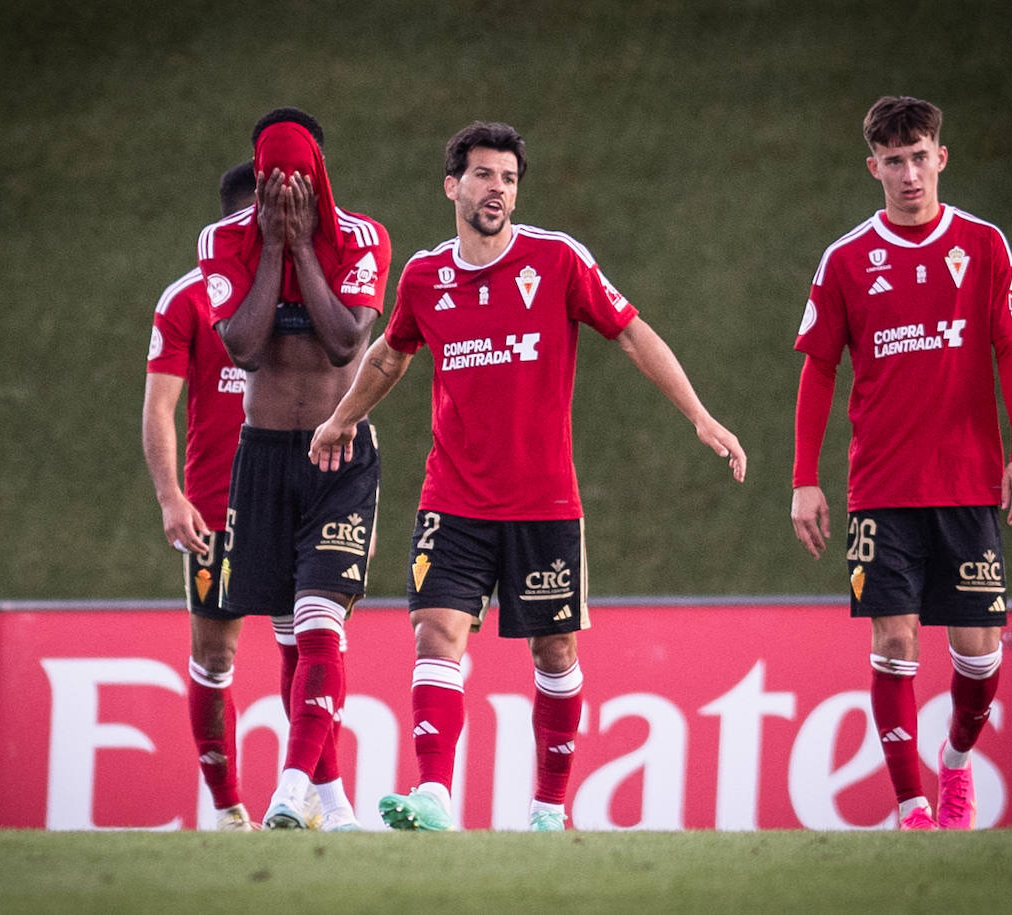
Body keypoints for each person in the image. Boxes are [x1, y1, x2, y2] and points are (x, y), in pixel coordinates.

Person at [309, 121, 747, 832]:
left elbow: (631, 330)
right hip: (452, 496)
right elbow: (391, 354)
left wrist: (698, 415)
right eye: (484, 175)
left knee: (555, 649)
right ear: (453, 185)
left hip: (543, 501)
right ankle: (436, 797)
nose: (498, 190)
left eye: (509, 179)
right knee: (436, 631)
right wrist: (341, 419)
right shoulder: (425, 276)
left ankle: (548, 807)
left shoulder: (558, 260)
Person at [789, 96, 1012, 830]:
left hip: (967, 482)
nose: (908, 172)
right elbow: (818, 371)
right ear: (874, 168)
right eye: (893, 161)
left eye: (919, 155)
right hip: (882, 489)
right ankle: (912, 808)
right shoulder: (845, 259)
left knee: (978, 651)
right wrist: (806, 477)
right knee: (894, 639)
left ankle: (957, 759)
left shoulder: (985, 245)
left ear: (941, 158)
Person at [198, 107, 391, 831]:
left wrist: (305, 248)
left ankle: (286, 788)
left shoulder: (362, 238)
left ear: (319, 178)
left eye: (297, 178)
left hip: (337, 452)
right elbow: (244, 349)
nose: (284, 191)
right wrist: (273, 249)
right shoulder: (223, 242)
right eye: (272, 178)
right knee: (289, 633)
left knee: (318, 625)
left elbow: (346, 341)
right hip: (264, 453)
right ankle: (336, 808)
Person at [143, 161, 264, 831]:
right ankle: (228, 811)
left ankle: (309, 795)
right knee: (215, 657)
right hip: (217, 512)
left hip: (293, 506)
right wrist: (171, 496)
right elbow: (160, 407)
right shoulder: (186, 299)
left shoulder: (303, 287)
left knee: (309, 643)